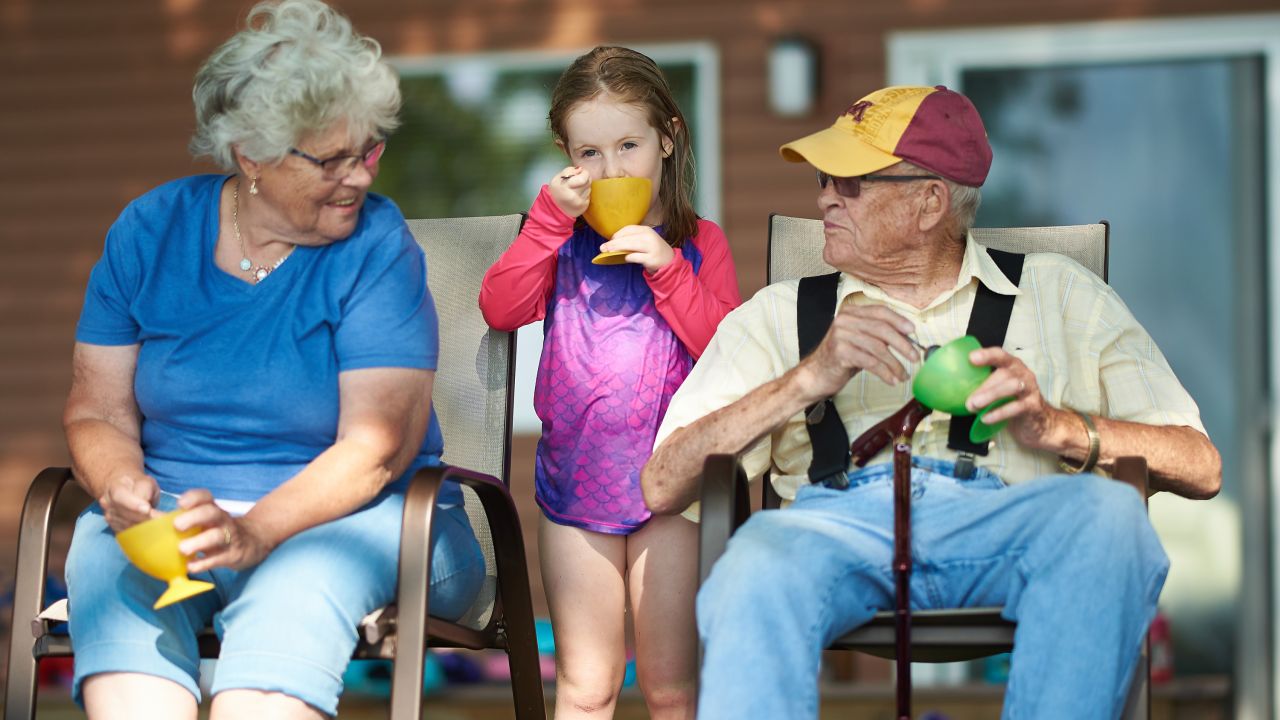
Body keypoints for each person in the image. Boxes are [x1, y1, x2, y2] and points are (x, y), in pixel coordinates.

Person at [641, 85, 1222, 719]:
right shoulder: (780, 315)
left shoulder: (1061, 295)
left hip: (1009, 522)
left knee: (1112, 521)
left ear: (928, 202)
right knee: (751, 563)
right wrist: (806, 380)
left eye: (850, 182)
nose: (824, 197)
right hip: (834, 529)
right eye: (822, 178)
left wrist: (1057, 426)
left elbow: (1200, 465)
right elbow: (663, 482)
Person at [62, 2, 485, 718]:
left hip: (366, 520)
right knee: (106, 555)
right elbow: (97, 410)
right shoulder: (150, 232)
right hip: (186, 520)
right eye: (330, 159)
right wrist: (124, 487)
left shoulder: (377, 249)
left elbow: (375, 452)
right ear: (249, 156)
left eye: (369, 150)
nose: (358, 177)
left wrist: (255, 530)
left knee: (300, 578)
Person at [479, 46, 740, 719]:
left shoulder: (700, 242)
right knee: (587, 688)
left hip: (673, 494)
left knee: (671, 689)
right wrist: (545, 220)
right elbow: (500, 308)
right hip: (575, 487)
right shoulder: (558, 243)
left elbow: (728, 352)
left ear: (669, 139)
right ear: (565, 155)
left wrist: (667, 268)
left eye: (629, 145)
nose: (613, 168)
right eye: (590, 153)